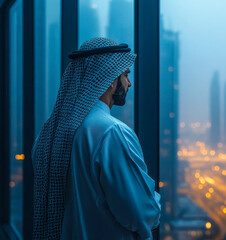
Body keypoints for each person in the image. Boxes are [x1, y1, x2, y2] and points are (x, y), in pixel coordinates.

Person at [32, 37, 161, 240]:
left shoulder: (48, 134)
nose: (129, 83)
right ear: (109, 79)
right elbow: (141, 214)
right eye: (125, 75)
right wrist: (153, 210)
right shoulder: (111, 132)